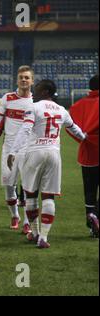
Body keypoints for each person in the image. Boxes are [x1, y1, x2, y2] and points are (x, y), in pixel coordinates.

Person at [7, 80, 86, 248]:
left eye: (36, 89)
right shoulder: (62, 110)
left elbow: (25, 130)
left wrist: (13, 151)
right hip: (54, 154)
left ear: (45, 91)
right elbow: (74, 129)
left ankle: (34, 233)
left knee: (31, 194)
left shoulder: (34, 107)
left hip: (34, 152)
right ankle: (43, 237)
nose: (33, 92)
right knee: (48, 196)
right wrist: (86, 140)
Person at [0, 66, 35, 234]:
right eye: (21, 77)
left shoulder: (35, 103)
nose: (23, 80)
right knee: (8, 185)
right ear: (17, 80)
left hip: (28, 149)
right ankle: (15, 215)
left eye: (27, 77)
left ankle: (27, 221)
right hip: (9, 147)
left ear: (32, 81)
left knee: (28, 186)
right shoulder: (7, 98)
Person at [68, 74, 99, 237]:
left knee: (89, 191)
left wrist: (82, 139)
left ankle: (91, 223)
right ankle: (97, 216)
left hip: (87, 152)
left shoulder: (77, 106)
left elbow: (68, 126)